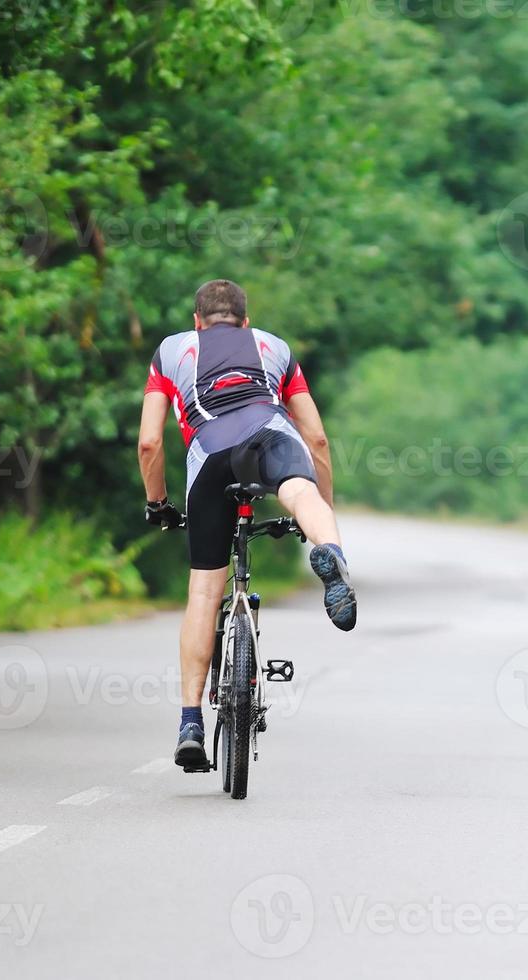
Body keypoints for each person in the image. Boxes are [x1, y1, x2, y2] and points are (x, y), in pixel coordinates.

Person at [137, 279, 357, 771]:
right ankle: (333, 555)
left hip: (210, 455)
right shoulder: (273, 347)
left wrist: (158, 503)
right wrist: (321, 512)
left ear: (197, 321)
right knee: (300, 492)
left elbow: (150, 443)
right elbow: (317, 439)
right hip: (268, 438)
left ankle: (190, 720)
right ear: (245, 319)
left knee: (202, 595)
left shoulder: (171, 351)